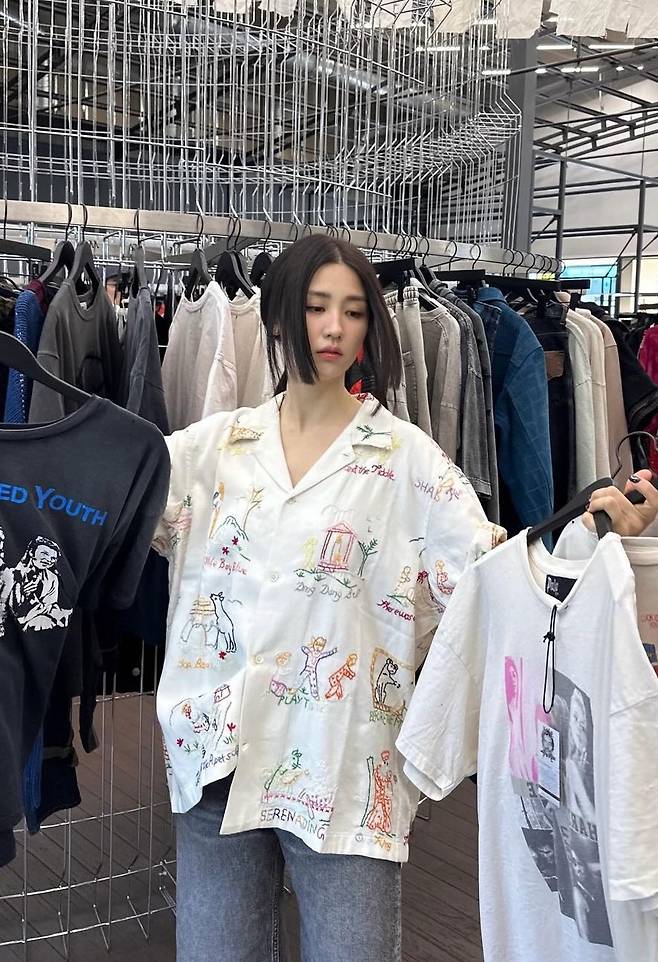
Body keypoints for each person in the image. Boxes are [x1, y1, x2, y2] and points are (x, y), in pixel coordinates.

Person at [154, 235, 658, 962]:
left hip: (343, 768)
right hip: (215, 757)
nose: (334, 328)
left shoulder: (405, 460)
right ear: (280, 315)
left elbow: (491, 574)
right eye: (316, 307)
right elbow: (113, 498)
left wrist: (588, 531)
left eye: (353, 311)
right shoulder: (211, 450)